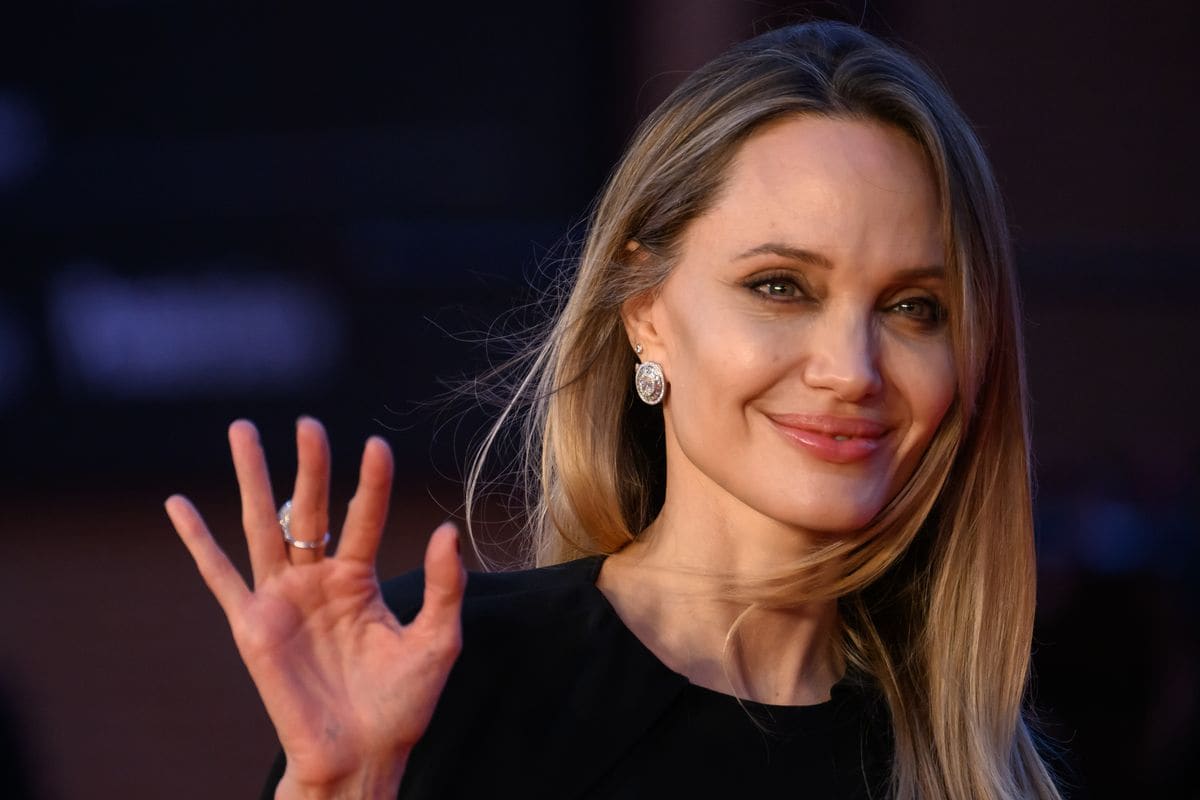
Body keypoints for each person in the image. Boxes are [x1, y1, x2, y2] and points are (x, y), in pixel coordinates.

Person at [165, 20, 1065, 800]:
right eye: (781, 286)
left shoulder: (985, 765)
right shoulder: (450, 675)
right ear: (647, 316)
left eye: (916, 308)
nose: (852, 369)